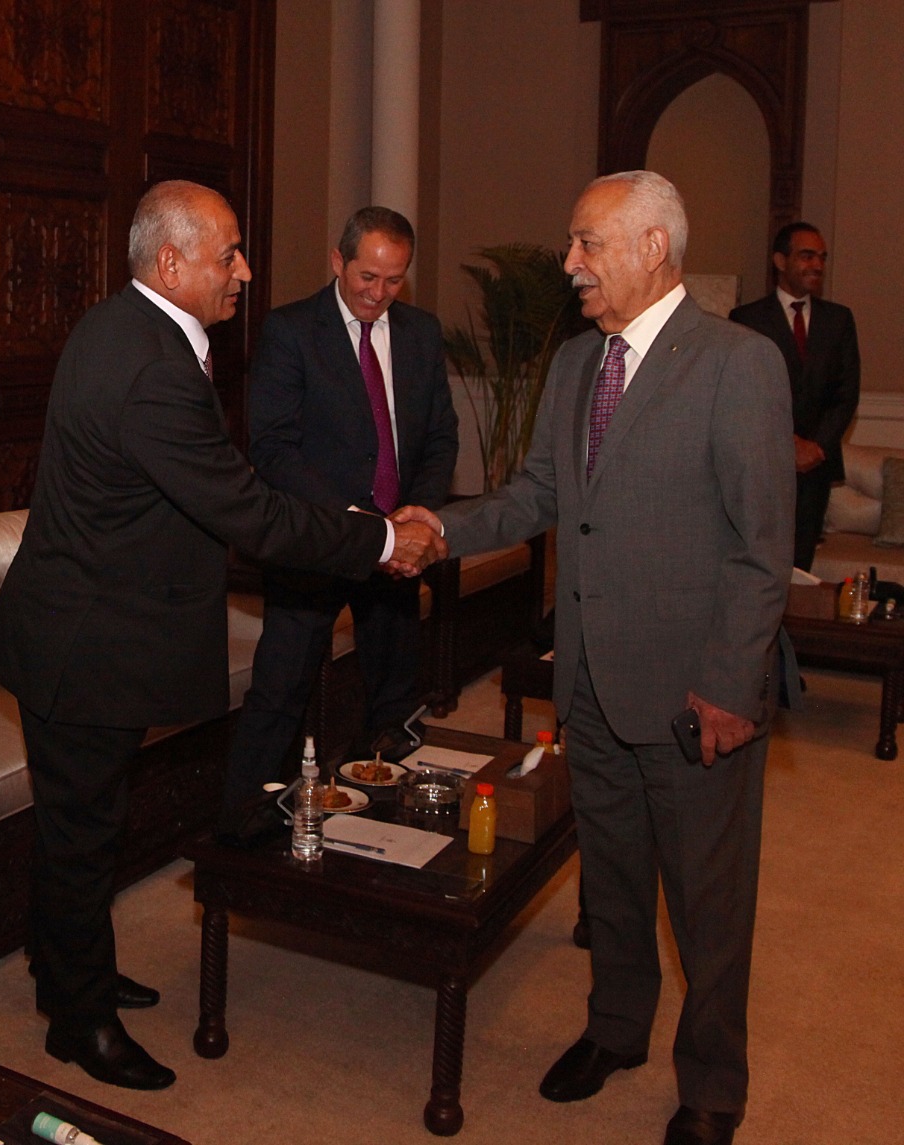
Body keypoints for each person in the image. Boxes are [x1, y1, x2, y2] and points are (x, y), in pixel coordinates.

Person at [0, 179, 446, 1092]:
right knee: (82, 833)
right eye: (227, 254)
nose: (243, 271)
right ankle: (79, 1022)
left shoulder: (121, 326)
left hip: (83, 630)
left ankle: (68, 967)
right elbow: (248, 512)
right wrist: (382, 541)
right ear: (170, 263)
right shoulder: (152, 365)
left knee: (81, 826)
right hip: (85, 645)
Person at [399, 171, 793, 1145]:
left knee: (706, 901)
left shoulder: (737, 362)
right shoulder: (578, 363)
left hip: (694, 693)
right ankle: (615, 1028)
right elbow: (537, 493)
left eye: (587, 242)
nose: (569, 261)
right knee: (611, 879)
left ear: (652, 247)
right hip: (589, 679)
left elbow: (762, 547)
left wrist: (730, 687)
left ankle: (712, 1084)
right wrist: (440, 529)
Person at [217, 207, 458, 826]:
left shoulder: (421, 334)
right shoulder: (291, 330)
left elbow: (439, 437)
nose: (379, 293)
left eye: (394, 280)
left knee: (394, 699)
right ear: (337, 261)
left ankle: (383, 832)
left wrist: (417, 517)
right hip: (317, 540)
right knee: (280, 690)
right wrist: (360, 526)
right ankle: (245, 827)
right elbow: (273, 447)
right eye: (367, 277)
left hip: (398, 545)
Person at [730, 222, 861, 570]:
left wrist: (815, 446)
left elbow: (847, 394)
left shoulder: (839, 320)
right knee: (760, 563)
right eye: (806, 256)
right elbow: (742, 395)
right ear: (779, 260)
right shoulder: (746, 319)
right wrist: (787, 444)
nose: (817, 265)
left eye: (822, 257)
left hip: (816, 468)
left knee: (801, 566)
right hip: (763, 464)